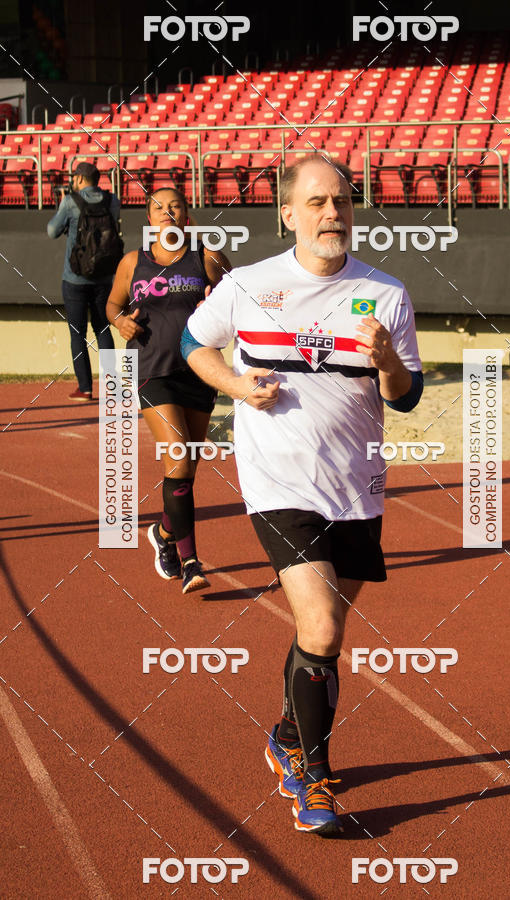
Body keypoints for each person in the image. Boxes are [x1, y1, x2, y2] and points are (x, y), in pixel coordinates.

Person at [181, 155, 423, 833]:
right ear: (288, 214)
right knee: (322, 626)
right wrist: (235, 387)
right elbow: (196, 345)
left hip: (356, 488)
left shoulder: (386, 294)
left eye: (341, 202)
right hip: (277, 480)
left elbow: (405, 399)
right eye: (316, 203)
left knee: (319, 631)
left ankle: (289, 731)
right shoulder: (249, 285)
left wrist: (387, 364)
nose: (331, 214)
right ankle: (315, 782)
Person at [105, 187, 231, 594]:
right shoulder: (132, 262)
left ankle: (162, 531)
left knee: (187, 469)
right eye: (159, 207)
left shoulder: (207, 258)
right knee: (177, 460)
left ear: (187, 215)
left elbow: (239, 304)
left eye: (175, 205)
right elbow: (112, 305)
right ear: (149, 219)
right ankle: (189, 560)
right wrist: (121, 322)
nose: (168, 212)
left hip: (199, 371)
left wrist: (216, 307)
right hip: (150, 370)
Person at [47, 161, 120, 401]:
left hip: (75, 277)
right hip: (105, 276)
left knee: (77, 333)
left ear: (79, 179)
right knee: (103, 329)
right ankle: (112, 386)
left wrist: (66, 212)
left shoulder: (71, 201)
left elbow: (51, 231)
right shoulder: (112, 201)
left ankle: (85, 388)